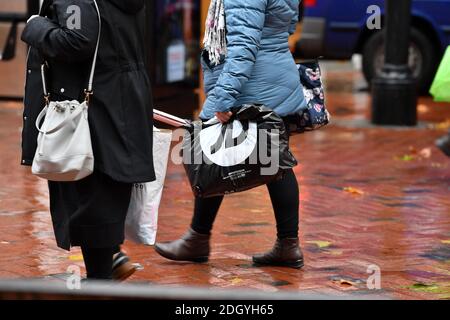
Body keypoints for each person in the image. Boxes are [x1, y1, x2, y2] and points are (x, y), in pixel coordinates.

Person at [155, 0, 307, 269]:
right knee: (274, 162)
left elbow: (244, 47)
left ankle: (198, 239)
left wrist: (223, 98)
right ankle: (286, 245)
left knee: (212, 154)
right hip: (272, 75)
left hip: (254, 83)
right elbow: (285, 25)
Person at [21, 0, 155, 280]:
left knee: (90, 198)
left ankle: (101, 278)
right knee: (103, 197)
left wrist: (35, 27)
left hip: (89, 112)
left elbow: (76, 40)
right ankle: (107, 264)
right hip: (117, 104)